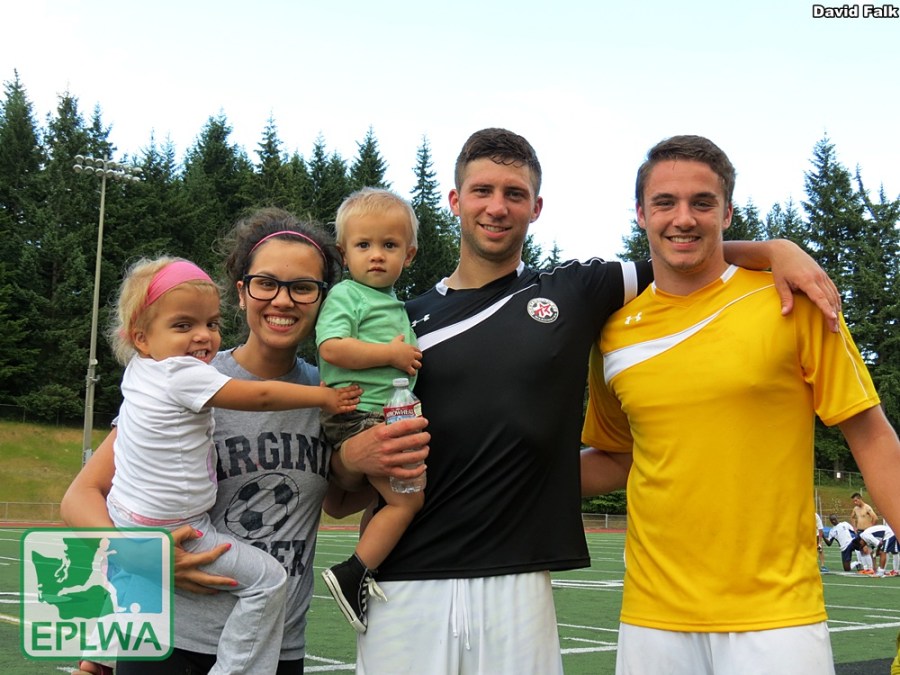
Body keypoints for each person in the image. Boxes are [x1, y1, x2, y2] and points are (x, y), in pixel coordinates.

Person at [341, 127, 846, 674]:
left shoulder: (575, 291)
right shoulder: (394, 324)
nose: (497, 207)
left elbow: (684, 253)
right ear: (455, 200)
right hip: (401, 580)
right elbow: (339, 489)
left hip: (520, 582)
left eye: (515, 194)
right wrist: (349, 459)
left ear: (536, 207)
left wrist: (777, 250)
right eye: (482, 191)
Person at [580, 134, 900, 674]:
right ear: (640, 213)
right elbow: (616, 456)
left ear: (727, 212)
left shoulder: (794, 298)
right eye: (665, 202)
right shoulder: (612, 332)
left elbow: (870, 436)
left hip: (778, 617)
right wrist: (500, 476)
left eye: (702, 203)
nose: (684, 218)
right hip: (651, 617)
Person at [62, 208, 429, 675]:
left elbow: (336, 502)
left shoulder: (335, 397)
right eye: (266, 283)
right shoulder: (191, 380)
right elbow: (81, 496)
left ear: (324, 299)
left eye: (303, 287)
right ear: (241, 292)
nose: (283, 300)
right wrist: (142, 559)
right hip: (168, 637)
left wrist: (363, 457)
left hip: (273, 647)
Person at [316, 188, 424, 633]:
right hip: (359, 414)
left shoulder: (394, 303)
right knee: (408, 500)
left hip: (384, 413)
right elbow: (332, 347)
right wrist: (391, 356)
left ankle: (365, 571)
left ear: (409, 254)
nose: (376, 256)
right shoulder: (347, 296)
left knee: (385, 499)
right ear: (344, 253)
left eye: (389, 245)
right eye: (364, 245)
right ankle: (353, 571)